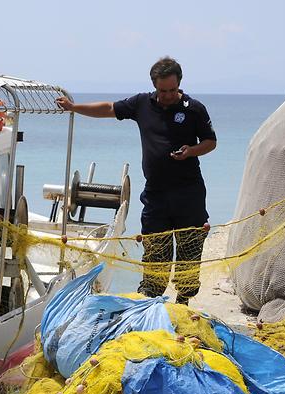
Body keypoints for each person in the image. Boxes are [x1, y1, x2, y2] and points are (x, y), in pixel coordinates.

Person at [56, 57, 217, 304]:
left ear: (180, 84)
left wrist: (191, 151)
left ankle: (183, 303)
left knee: (189, 254)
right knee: (155, 253)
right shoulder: (142, 103)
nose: (168, 95)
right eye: (163, 91)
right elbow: (109, 109)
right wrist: (74, 108)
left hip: (189, 194)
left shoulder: (193, 108)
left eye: (172, 90)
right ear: (155, 86)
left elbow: (210, 142)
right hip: (156, 195)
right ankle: (152, 302)